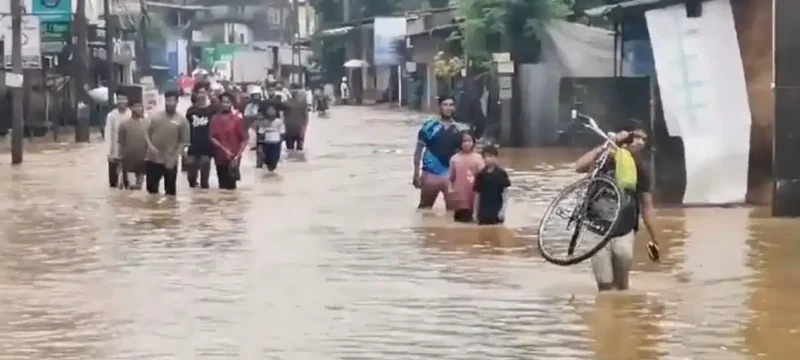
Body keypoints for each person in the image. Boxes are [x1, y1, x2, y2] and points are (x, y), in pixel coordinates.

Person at [574, 119, 659, 292]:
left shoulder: (640, 168)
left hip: (624, 227)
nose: (641, 143)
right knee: (604, 284)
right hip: (596, 226)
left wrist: (654, 237)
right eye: (637, 137)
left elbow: (647, 206)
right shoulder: (604, 157)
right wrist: (609, 143)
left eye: (644, 140)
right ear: (625, 137)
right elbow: (579, 166)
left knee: (622, 282)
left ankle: (623, 313)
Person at [412, 95, 468, 209]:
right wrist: (416, 173)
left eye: (451, 105)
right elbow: (418, 150)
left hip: (451, 175)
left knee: (453, 211)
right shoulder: (429, 126)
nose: (448, 108)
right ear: (440, 107)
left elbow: (466, 154)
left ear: (455, 107)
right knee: (424, 209)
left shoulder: (461, 129)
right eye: (445, 105)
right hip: (430, 173)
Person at [145, 91, 190, 196]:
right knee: (151, 191)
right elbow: (146, 133)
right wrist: (150, 146)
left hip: (170, 160)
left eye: (172, 101)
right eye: (167, 100)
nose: (169, 103)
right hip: (153, 159)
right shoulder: (155, 117)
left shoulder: (182, 120)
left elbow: (183, 142)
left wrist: (174, 158)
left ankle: (170, 211)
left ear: (177, 102)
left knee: (170, 193)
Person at [210, 92, 247, 190]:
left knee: (231, 187)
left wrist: (238, 156)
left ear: (232, 104)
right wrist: (224, 150)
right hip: (220, 157)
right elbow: (212, 137)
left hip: (233, 159)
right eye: (223, 102)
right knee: (222, 186)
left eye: (227, 102)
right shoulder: (215, 119)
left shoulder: (237, 120)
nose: (225, 104)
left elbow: (243, 140)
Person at [184, 82, 216, 189]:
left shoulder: (212, 110)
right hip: (193, 145)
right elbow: (186, 128)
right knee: (191, 174)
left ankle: (204, 189)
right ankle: (193, 187)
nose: (201, 94)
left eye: (203, 92)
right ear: (195, 94)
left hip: (207, 145)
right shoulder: (191, 111)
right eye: (199, 92)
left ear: (206, 93)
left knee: (205, 165)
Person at [449, 132, 485, 223]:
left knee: (474, 221)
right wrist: (451, 191)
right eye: (464, 141)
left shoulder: (478, 158)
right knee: (460, 222)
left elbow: (483, 177)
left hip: (474, 195)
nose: (467, 143)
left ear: (473, 142)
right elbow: (451, 178)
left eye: (469, 141)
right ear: (459, 143)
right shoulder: (454, 159)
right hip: (460, 196)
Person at [472, 145, 511, 225]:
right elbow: (477, 195)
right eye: (484, 157)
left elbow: (506, 194)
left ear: (495, 157)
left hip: (496, 211)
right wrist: (475, 212)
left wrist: (502, 211)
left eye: (490, 156)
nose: (487, 159)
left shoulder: (501, 174)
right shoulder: (480, 175)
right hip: (482, 212)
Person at [117, 102, 150, 190]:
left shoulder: (147, 123)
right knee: (130, 190)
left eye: (141, 107)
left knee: (139, 188)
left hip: (142, 161)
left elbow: (150, 143)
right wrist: (120, 162)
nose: (139, 109)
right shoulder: (124, 125)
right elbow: (121, 143)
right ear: (131, 108)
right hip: (128, 162)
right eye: (137, 106)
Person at [104, 90, 131, 188]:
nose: (121, 101)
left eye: (123, 99)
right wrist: (108, 153)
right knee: (113, 184)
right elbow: (108, 134)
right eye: (119, 99)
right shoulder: (111, 116)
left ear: (127, 100)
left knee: (129, 184)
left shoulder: (131, 115)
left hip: (129, 155)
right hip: (114, 154)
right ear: (116, 100)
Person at [254, 100, 285, 172]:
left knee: (274, 159)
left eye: (273, 110)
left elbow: (282, 132)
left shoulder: (279, 122)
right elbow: (261, 133)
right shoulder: (264, 122)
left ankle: (272, 170)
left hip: (276, 144)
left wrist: (280, 140)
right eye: (269, 110)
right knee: (267, 159)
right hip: (267, 144)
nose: (271, 112)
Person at [284, 84, 309, 153]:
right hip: (297, 128)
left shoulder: (286, 103)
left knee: (290, 150)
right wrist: (304, 126)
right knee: (298, 149)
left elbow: (283, 116)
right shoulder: (303, 103)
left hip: (292, 129)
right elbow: (306, 116)